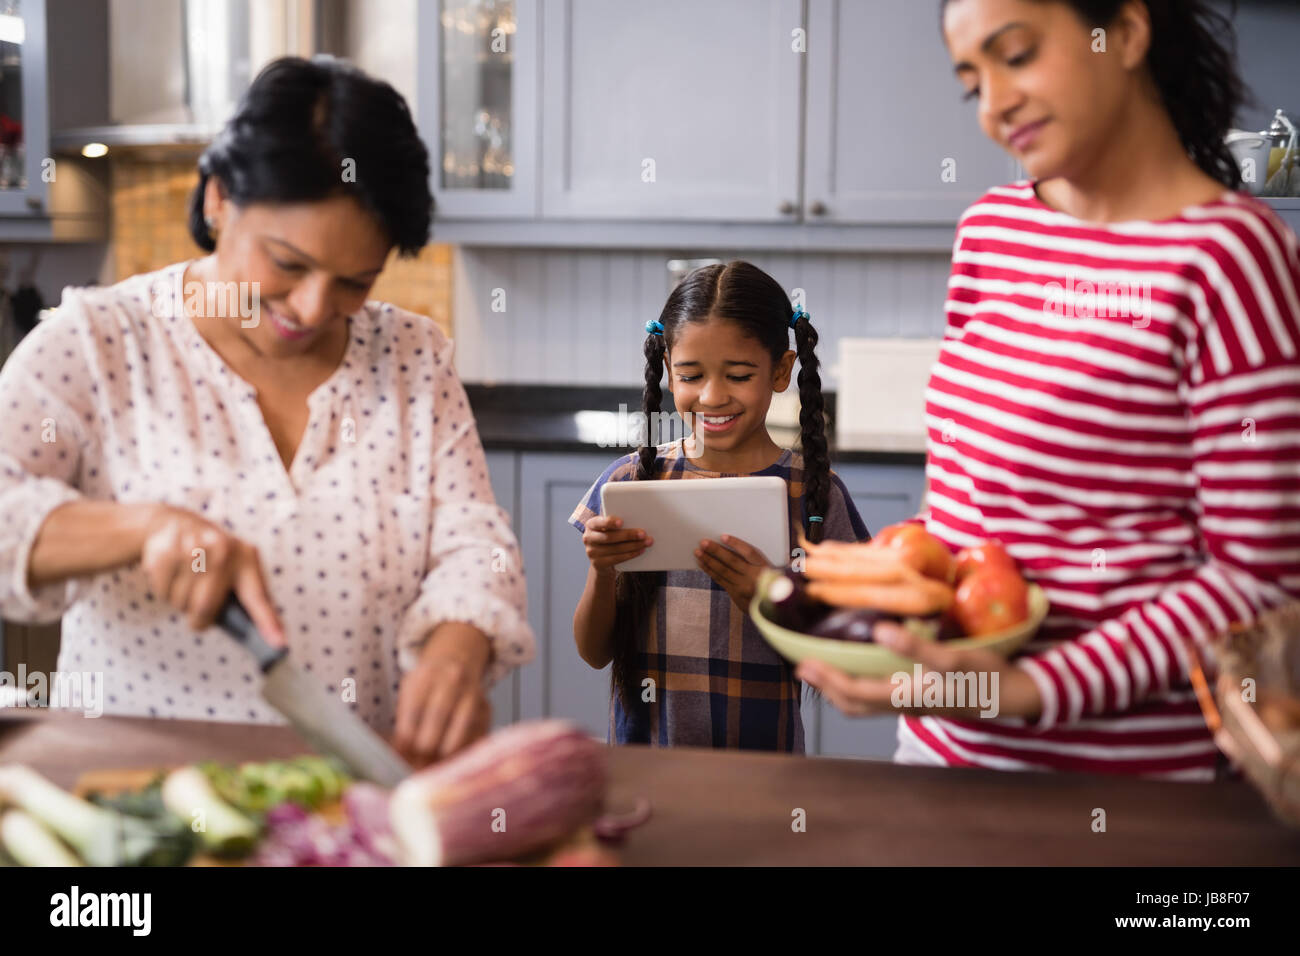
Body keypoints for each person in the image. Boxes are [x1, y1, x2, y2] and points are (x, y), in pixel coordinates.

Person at [798, 0, 1300, 779]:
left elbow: (1259, 582)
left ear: (1127, 32)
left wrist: (1025, 688)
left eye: (1019, 54)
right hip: (942, 750)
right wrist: (886, 633)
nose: (994, 105)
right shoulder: (991, 234)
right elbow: (972, 511)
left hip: (1129, 788)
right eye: (973, 82)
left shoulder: (1232, 259)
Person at [0, 56, 534, 765]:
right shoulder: (100, 341)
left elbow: (475, 544)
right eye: (287, 263)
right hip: (140, 799)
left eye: (355, 281)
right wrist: (144, 528)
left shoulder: (412, 355)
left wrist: (457, 646)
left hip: (343, 800)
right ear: (219, 199)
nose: (313, 309)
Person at [570, 261, 869, 751]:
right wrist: (603, 572)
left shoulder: (814, 494)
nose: (712, 396)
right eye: (691, 375)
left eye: (737, 374)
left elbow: (849, 657)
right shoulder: (634, 480)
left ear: (780, 370)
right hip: (647, 764)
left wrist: (768, 599)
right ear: (668, 371)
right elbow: (593, 651)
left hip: (765, 769)